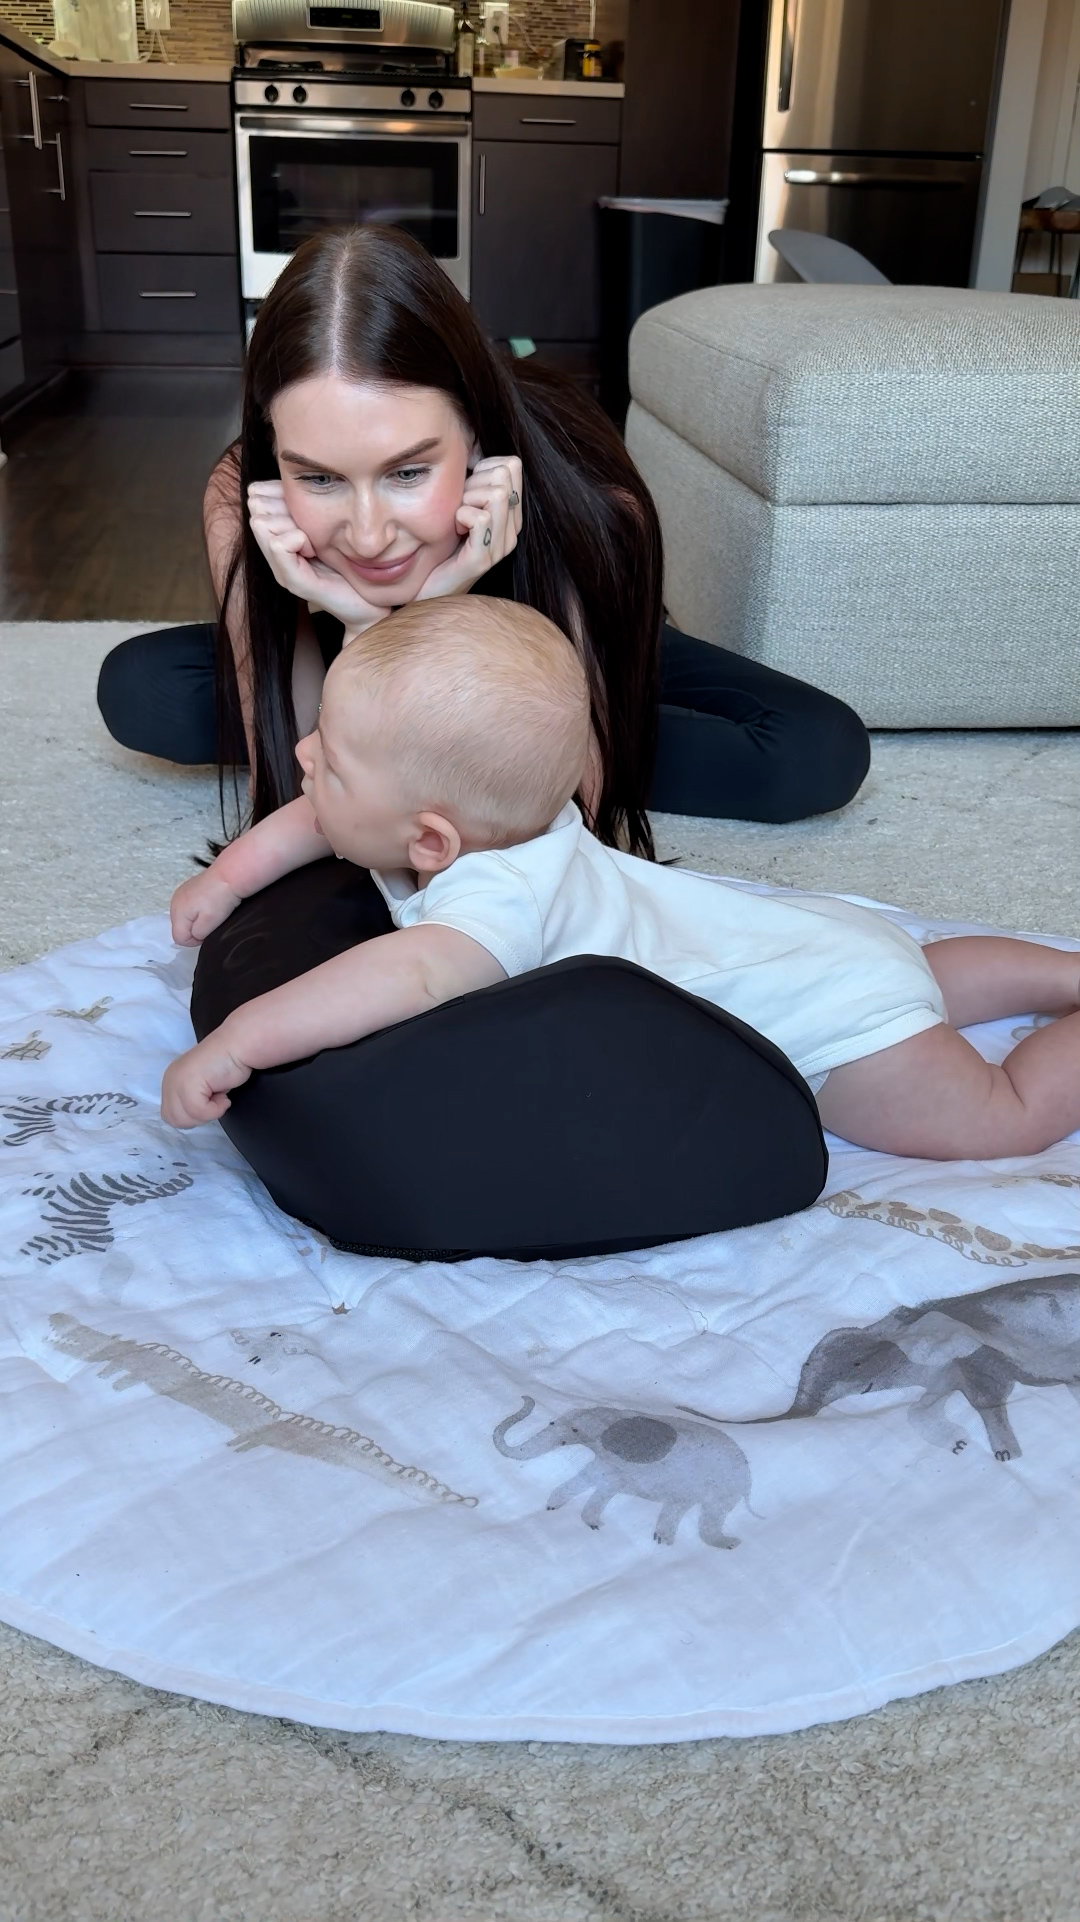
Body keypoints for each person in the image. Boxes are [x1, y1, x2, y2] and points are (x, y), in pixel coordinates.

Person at [162, 597, 1080, 1163]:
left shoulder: (495, 907)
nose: (301, 755)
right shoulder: (518, 820)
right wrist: (230, 881)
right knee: (923, 967)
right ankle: (1063, 970)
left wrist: (240, 1043)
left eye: (333, 758)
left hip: (829, 1035)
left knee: (1001, 1116)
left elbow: (385, 981)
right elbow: (325, 815)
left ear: (431, 840)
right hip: (819, 943)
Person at [96, 224, 870, 844]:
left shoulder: (586, 499)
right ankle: (453, 750)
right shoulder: (242, 497)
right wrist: (368, 628)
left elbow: (579, 827)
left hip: (557, 637)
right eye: (320, 478)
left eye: (407, 472)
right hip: (338, 647)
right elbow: (292, 788)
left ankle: (483, 738)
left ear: (474, 433)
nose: (367, 536)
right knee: (140, 688)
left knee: (816, 748)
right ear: (274, 450)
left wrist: (454, 620)